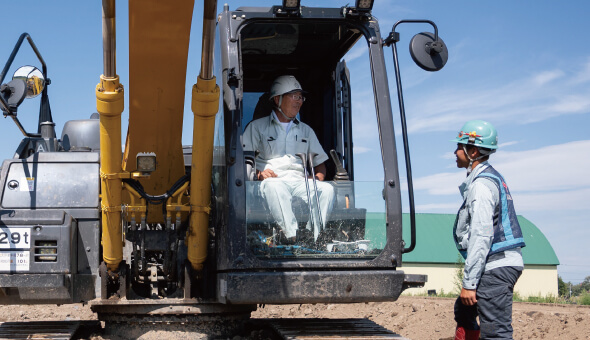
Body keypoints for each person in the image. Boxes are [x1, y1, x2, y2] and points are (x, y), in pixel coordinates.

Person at [451, 120, 526, 340]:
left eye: (459, 146)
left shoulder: (482, 186)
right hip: (495, 264)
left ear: (472, 151)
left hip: (496, 266)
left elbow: (481, 236)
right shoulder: (488, 178)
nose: (455, 152)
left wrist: (469, 283)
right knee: (463, 311)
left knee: (495, 332)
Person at [242, 75, 334, 243]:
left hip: (299, 182)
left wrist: (317, 178)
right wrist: (259, 173)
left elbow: (320, 165)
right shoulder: (256, 127)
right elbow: (242, 162)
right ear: (277, 99)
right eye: (294, 96)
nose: (299, 101)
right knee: (274, 186)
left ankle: (313, 239)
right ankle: (292, 237)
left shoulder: (306, 131)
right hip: (270, 182)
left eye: (301, 97)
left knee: (326, 190)